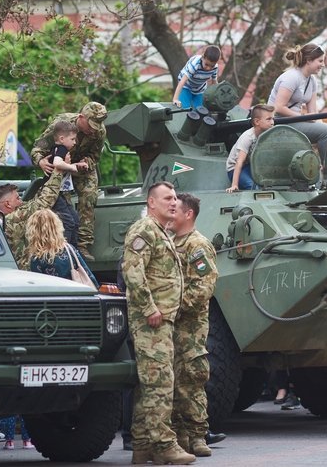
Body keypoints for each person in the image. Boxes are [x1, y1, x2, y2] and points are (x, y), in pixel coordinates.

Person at [121, 181, 193, 465]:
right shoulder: (144, 230)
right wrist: (149, 307)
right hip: (150, 321)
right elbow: (132, 271)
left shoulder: (160, 231)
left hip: (162, 320)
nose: (174, 202)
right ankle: (164, 445)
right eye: (167, 198)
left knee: (149, 384)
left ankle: (142, 447)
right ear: (151, 202)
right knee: (160, 384)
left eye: (175, 198)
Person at [170, 193, 219, 457]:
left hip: (190, 326)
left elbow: (204, 286)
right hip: (169, 326)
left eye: (175, 210)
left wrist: (174, 307)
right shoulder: (170, 243)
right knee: (173, 381)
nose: (170, 214)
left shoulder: (197, 245)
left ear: (188, 214)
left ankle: (198, 435)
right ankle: (179, 436)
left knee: (191, 379)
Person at [31, 102, 108, 262]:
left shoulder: (99, 131)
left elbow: (95, 157)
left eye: (97, 126)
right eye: (91, 125)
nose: (93, 130)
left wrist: (85, 163)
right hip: (60, 167)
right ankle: (61, 243)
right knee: (63, 208)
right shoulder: (61, 125)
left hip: (81, 167)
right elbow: (38, 149)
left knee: (89, 196)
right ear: (81, 117)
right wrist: (40, 161)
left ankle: (83, 245)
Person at [268, 43, 327, 185]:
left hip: (293, 122)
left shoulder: (311, 81)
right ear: (308, 60)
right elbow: (278, 107)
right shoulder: (291, 77)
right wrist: (303, 118)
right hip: (278, 122)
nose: (323, 65)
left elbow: (313, 113)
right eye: (320, 61)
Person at [0, 170, 63, 269]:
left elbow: (33, 203)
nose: (21, 202)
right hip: (22, 273)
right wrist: (58, 172)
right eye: (17, 198)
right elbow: (44, 201)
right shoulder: (12, 219)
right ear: (7, 204)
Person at [43, 119, 88, 246]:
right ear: (62, 139)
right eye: (72, 139)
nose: (75, 142)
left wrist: (77, 164)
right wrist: (73, 167)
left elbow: (61, 164)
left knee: (75, 221)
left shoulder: (59, 150)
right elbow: (57, 163)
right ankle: (64, 250)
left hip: (60, 192)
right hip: (55, 193)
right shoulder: (61, 149)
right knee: (68, 222)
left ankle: (73, 250)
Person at [25, 209, 99, 286]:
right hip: (74, 291)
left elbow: (37, 286)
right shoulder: (69, 249)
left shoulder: (37, 258)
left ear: (34, 231)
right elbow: (88, 273)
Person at [226, 104, 275, 192]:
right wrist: (234, 185)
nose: (272, 122)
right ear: (257, 122)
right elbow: (239, 161)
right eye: (268, 119)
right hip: (235, 169)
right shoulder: (248, 137)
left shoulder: (268, 135)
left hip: (252, 166)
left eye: (273, 119)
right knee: (252, 186)